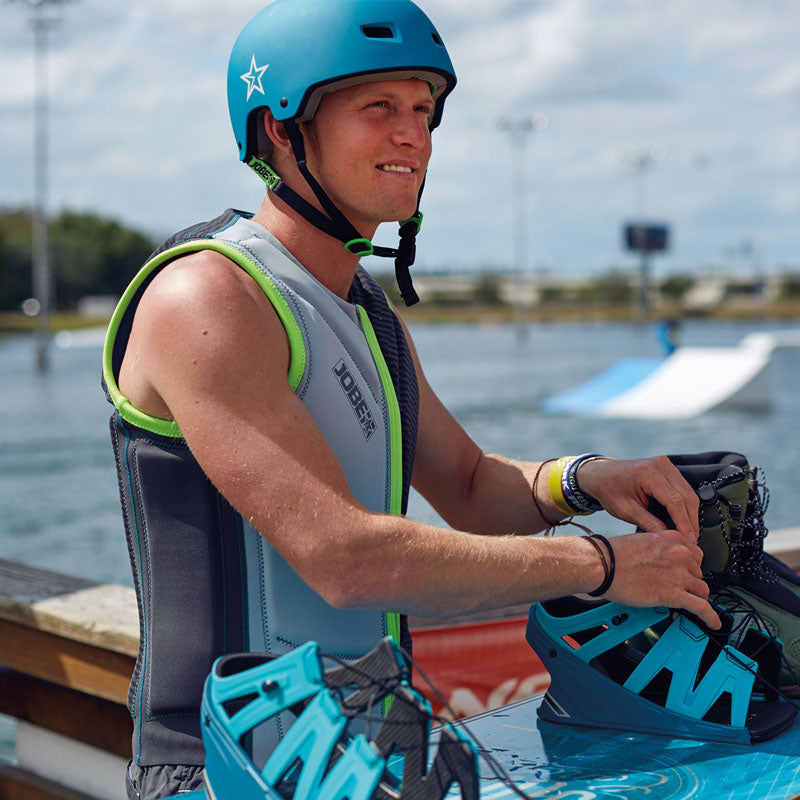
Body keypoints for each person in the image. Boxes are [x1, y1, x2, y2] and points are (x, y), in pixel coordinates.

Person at [102, 1, 718, 797]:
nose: (414, 138)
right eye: (378, 109)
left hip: (369, 751)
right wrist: (599, 565)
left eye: (424, 110)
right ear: (282, 132)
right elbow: (344, 558)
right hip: (225, 772)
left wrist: (588, 478)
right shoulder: (207, 296)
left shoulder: (363, 310)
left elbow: (466, 485)